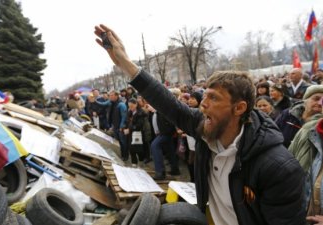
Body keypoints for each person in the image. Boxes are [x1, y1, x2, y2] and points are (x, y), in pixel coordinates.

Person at [94, 24, 305, 225]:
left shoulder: (278, 168)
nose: (203, 104)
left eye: (213, 98)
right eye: (205, 95)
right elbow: (168, 103)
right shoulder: (205, 128)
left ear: (239, 108)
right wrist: (124, 62)